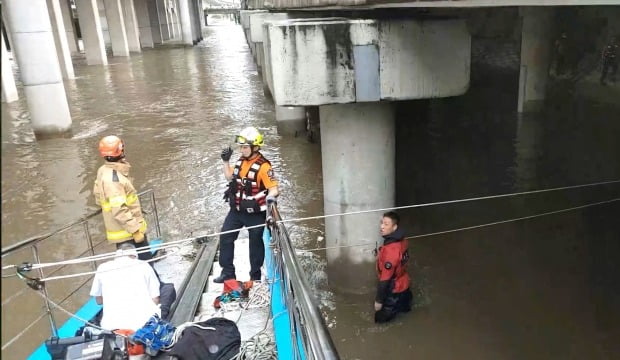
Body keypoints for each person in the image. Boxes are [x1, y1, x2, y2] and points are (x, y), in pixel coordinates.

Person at [214, 126, 279, 283]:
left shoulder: (264, 167)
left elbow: (274, 190)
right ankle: (227, 273)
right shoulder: (241, 161)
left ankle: (255, 277)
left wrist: (270, 208)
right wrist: (225, 161)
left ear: (255, 147)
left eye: (244, 147)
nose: (241, 150)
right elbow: (230, 178)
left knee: (255, 244)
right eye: (241, 147)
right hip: (236, 211)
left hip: (255, 214)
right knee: (226, 237)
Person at [93, 135, 151, 261]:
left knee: (135, 263)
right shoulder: (114, 179)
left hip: (122, 229)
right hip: (129, 232)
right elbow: (119, 209)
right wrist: (135, 230)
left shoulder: (103, 170)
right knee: (145, 261)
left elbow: (98, 197)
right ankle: (156, 281)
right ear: (120, 150)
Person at [89, 244, 161, 331]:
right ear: (134, 256)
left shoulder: (102, 267)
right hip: (144, 326)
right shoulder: (144, 265)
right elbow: (155, 299)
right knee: (168, 289)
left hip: (111, 327)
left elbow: (99, 301)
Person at [374, 211, 412, 323]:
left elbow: (385, 280)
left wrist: (378, 301)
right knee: (406, 309)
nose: (381, 226)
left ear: (394, 227)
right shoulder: (403, 241)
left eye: (386, 224)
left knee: (380, 320)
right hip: (405, 283)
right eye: (382, 223)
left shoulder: (390, 252)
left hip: (394, 290)